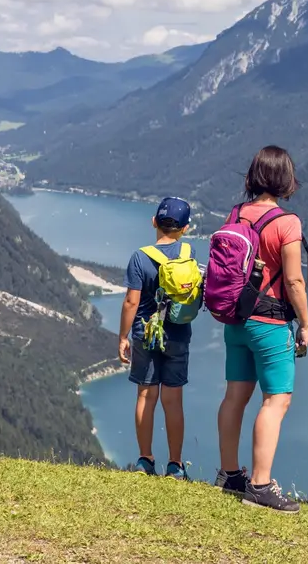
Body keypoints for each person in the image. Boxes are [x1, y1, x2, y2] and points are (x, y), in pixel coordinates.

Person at [214, 146, 308, 513]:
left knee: (234, 396)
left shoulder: (236, 214)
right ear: (286, 180)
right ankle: (260, 484)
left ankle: (229, 474)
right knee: (276, 400)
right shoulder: (287, 223)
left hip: (236, 321)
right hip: (270, 323)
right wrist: (305, 323)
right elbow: (294, 281)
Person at [118, 197, 199, 479]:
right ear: (185, 228)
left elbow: (131, 301)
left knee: (145, 395)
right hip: (178, 334)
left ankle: (145, 460)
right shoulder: (189, 253)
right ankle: (175, 465)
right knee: (173, 401)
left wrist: (123, 336)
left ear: (154, 221)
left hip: (146, 334)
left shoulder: (140, 257)